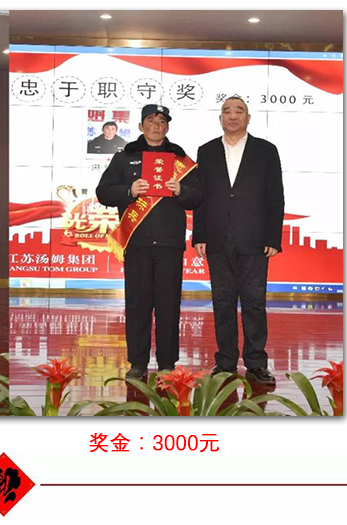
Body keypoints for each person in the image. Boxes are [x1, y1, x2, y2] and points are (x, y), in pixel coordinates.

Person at [96, 104, 201, 380]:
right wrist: (128, 191)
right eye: (151, 121)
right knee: (137, 305)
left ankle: (167, 363)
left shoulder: (180, 159)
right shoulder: (124, 157)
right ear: (141, 126)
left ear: (167, 127)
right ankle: (138, 362)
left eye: (162, 121)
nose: (157, 126)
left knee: (169, 306)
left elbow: (199, 196)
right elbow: (103, 192)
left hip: (169, 243)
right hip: (138, 243)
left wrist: (181, 190)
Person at [192, 96, 284, 384]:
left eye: (239, 111)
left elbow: (275, 197)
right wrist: (199, 235)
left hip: (254, 239)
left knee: (254, 302)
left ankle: (256, 363)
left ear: (248, 117)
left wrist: (273, 237)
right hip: (217, 237)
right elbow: (201, 197)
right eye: (227, 111)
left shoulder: (266, 150)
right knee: (222, 302)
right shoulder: (206, 151)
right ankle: (226, 361)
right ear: (220, 118)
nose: (232, 116)